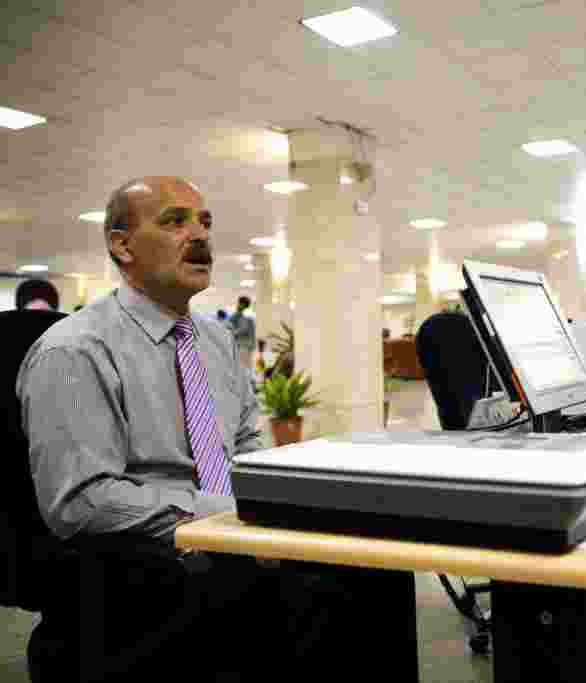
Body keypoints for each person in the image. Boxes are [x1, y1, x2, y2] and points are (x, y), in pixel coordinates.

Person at [16, 176, 358, 678]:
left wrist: (274, 498)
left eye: (204, 222)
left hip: (232, 549)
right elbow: (83, 500)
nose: (199, 235)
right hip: (144, 575)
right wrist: (226, 516)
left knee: (367, 575)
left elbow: (244, 443)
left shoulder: (216, 340)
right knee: (328, 600)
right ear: (122, 245)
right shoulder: (75, 350)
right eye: (175, 222)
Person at [229, 295, 256, 371]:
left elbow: (243, 330)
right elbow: (230, 321)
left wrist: (232, 333)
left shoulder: (247, 315)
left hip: (245, 345)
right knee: (242, 366)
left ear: (243, 304)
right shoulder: (240, 314)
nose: (237, 305)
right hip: (240, 345)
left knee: (244, 367)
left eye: (239, 303)